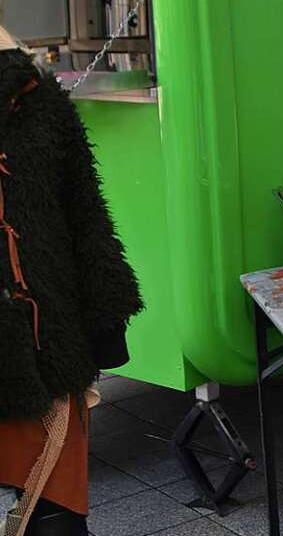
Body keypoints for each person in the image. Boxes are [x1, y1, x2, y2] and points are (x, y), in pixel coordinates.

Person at [0, 29, 143, 536]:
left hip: (44, 339)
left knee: (55, 511)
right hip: (41, 332)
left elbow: (85, 213)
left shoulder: (43, 105)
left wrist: (107, 318)